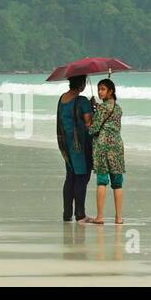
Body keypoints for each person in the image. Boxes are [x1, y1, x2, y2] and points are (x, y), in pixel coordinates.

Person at [84, 78, 125, 224]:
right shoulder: (119, 108)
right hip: (117, 145)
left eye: (102, 89)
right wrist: (97, 108)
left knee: (102, 180)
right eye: (99, 89)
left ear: (110, 91)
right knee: (117, 182)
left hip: (102, 145)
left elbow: (94, 128)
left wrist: (90, 120)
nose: (99, 92)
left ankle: (100, 217)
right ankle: (119, 218)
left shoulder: (102, 108)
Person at [57, 75, 93, 222]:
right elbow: (88, 123)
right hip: (79, 144)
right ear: (82, 84)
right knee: (82, 177)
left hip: (65, 144)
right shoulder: (82, 101)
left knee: (70, 176)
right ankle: (80, 215)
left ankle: (67, 213)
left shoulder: (62, 99)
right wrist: (92, 109)